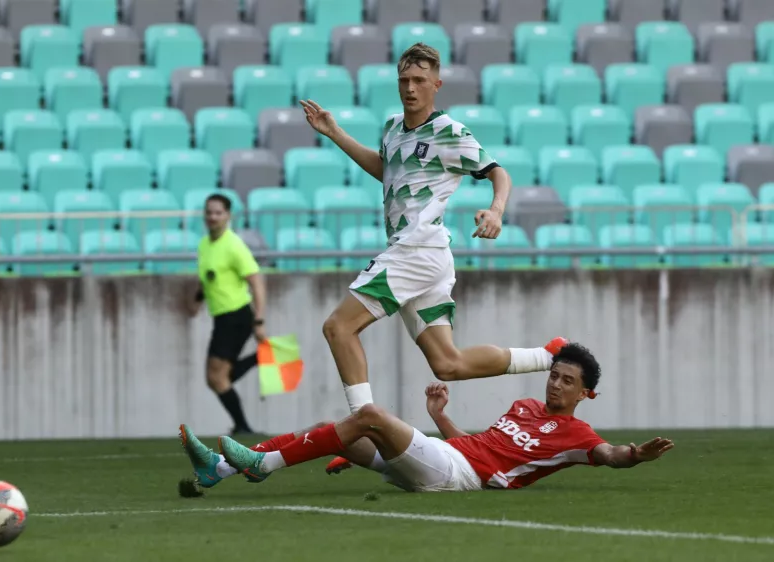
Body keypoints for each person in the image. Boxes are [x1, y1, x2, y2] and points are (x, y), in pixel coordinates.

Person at [300, 42, 565, 472]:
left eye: (420, 80)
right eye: (404, 80)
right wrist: (335, 134)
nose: (410, 88)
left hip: (416, 250)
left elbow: (499, 172)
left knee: (338, 327)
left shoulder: (451, 132)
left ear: (436, 85)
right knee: (448, 364)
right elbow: (388, 171)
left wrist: (496, 210)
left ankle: (364, 424)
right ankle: (549, 355)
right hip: (424, 255)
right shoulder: (392, 128)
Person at [179, 343, 675, 491]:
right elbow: (481, 445)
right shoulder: (522, 407)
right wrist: (441, 417)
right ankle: (218, 471)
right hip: (447, 458)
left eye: (568, 381)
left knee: (369, 413)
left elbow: (607, 455)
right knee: (333, 431)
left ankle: (261, 466)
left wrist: (635, 454)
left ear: (587, 393)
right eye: (555, 374)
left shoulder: (577, 432)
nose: (556, 383)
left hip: (456, 479)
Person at [190, 193, 267, 434]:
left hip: (236, 316)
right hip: (222, 317)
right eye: (209, 212)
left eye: (218, 213)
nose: (212, 217)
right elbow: (209, 277)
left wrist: (259, 320)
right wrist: (198, 299)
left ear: (228, 216)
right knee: (218, 378)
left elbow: (256, 281)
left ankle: (242, 427)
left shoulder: (233, 245)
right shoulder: (205, 244)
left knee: (216, 378)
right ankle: (259, 359)